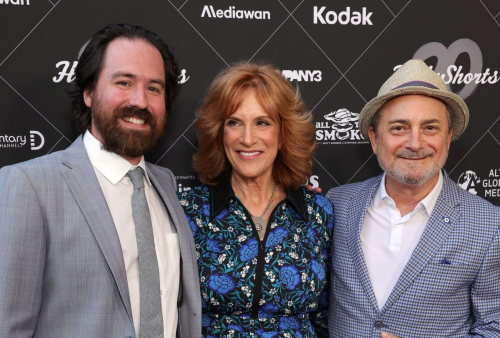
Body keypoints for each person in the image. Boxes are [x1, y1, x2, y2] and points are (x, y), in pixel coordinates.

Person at [0, 23, 201, 338]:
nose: (141, 101)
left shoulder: (166, 185)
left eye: (154, 88)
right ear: (89, 92)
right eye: (123, 82)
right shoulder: (29, 185)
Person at [326, 59, 500, 338]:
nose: (415, 143)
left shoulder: (490, 226)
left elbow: (495, 328)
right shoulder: (338, 204)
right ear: (374, 138)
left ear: (449, 136)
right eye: (399, 128)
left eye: (430, 128)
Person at [177, 62, 333, 337]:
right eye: (234, 123)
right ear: (219, 132)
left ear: (282, 134)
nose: (247, 139)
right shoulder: (188, 211)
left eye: (262, 122)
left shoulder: (318, 212)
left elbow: (326, 315)